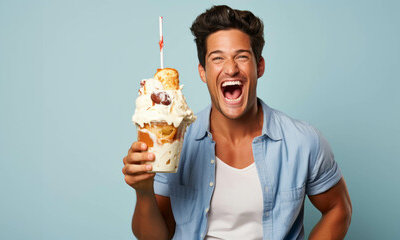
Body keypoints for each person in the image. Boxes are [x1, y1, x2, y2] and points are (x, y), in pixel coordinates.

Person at [122, 5, 352, 240]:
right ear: (203, 72)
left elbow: (338, 208)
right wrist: (143, 192)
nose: (231, 68)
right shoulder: (173, 142)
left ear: (259, 66)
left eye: (242, 56)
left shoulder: (303, 142)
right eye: (217, 58)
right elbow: (155, 236)